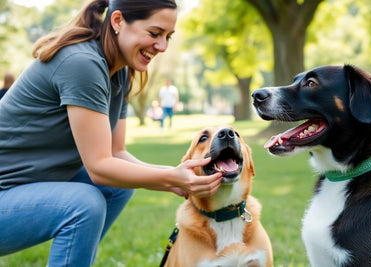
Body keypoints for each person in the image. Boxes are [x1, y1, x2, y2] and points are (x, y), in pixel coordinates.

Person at [0, 1, 222, 266]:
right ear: (117, 21)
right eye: (154, 33)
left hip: (18, 189)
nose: (162, 46)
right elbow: (99, 167)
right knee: (84, 204)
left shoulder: (119, 71)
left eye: (167, 37)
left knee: (117, 189)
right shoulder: (82, 63)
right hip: (6, 192)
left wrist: (172, 179)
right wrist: (168, 177)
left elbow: (116, 153)